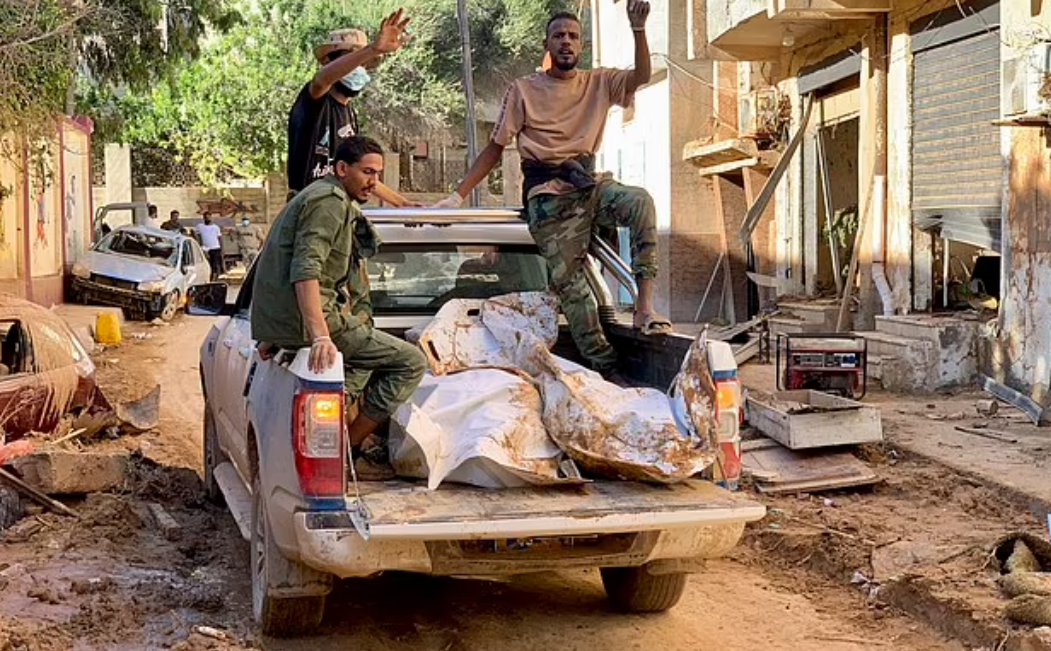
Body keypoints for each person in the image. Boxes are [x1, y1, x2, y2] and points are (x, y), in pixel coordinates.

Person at [434, 3, 671, 379]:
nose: (566, 42)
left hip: (588, 185)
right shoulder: (524, 90)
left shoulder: (599, 82)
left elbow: (642, 75)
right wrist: (458, 195)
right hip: (547, 197)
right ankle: (605, 370)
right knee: (575, 291)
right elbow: (495, 149)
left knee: (640, 201)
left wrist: (638, 28)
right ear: (546, 45)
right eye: (558, 36)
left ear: (581, 46)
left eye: (573, 37)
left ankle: (644, 307)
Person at [252, 136, 426, 479]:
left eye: (378, 174)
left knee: (360, 364)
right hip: (314, 323)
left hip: (295, 322)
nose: (373, 181)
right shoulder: (330, 203)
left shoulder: (323, 195)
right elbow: (305, 270)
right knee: (411, 362)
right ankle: (349, 449)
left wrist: (405, 203)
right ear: (341, 168)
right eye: (367, 172)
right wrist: (318, 336)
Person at [286, 11, 412, 206]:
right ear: (328, 62)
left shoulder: (350, 114)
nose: (358, 69)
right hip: (308, 206)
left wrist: (404, 204)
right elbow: (321, 80)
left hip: (335, 207)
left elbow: (362, 172)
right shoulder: (315, 102)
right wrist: (372, 49)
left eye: (362, 64)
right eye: (352, 61)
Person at [196, 212, 223, 280]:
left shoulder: (216, 227)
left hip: (215, 248)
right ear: (203, 218)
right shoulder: (199, 226)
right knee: (207, 264)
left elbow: (219, 238)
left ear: (211, 217)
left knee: (215, 264)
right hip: (205, 249)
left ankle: (214, 278)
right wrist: (200, 246)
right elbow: (197, 236)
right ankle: (208, 277)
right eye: (206, 217)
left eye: (209, 217)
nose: (207, 218)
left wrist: (222, 248)